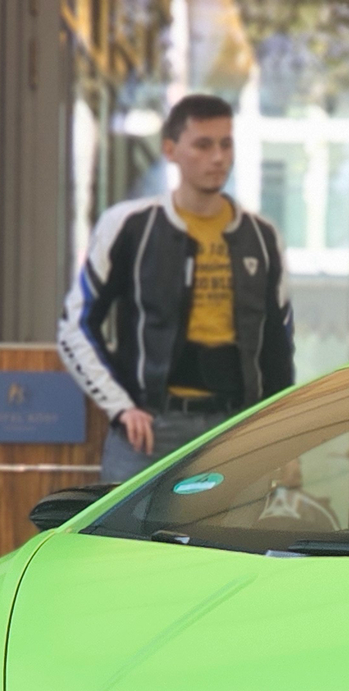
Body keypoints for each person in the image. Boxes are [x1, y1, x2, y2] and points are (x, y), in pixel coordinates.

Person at [61, 93, 296, 485]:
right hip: (151, 429)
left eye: (225, 144)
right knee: (128, 528)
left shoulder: (262, 236)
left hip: (236, 426)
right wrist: (120, 407)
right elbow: (76, 325)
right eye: (203, 145)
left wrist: (283, 436)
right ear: (170, 150)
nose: (217, 157)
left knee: (229, 529)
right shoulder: (131, 226)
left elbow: (278, 346)